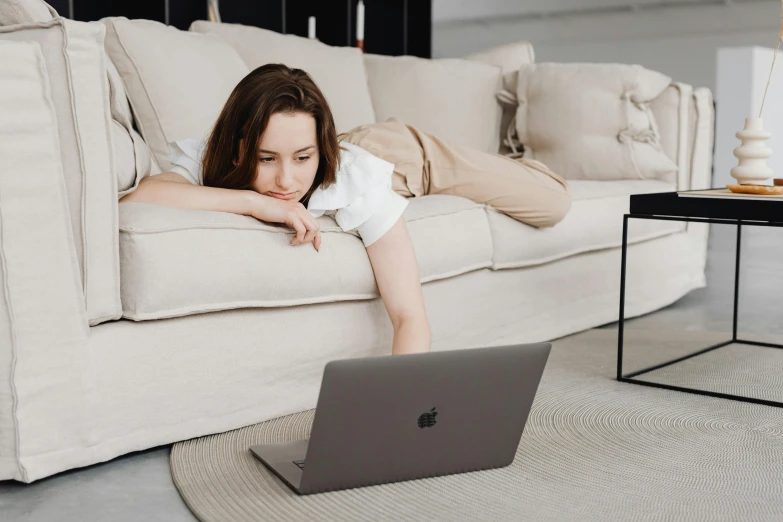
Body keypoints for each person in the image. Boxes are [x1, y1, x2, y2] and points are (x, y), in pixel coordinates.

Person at [119, 64, 571, 356]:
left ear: (318, 152)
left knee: (553, 201)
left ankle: (509, 159)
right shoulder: (214, 160)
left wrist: (401, 406)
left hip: (408, 156)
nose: (286, 182)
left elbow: (409, 314)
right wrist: (252, 203)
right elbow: (141, 197)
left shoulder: (357, 181)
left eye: (302, 158)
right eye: (265, 158)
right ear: (239, 148)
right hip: (343, 144)